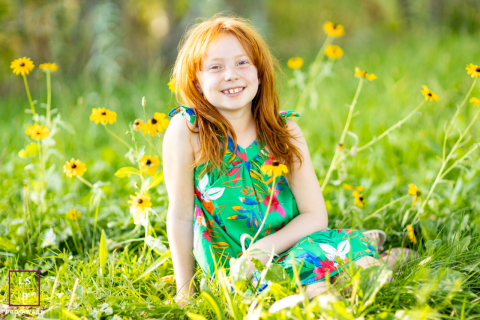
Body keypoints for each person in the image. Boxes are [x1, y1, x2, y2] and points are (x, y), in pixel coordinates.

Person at [162, 14, 417, 307]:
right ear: (196, 79)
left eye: (242, 62)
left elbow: (315, 215)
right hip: (236, 267)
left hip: (293, 244)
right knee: (315, 296)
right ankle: (364, 261)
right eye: (215, 67)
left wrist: (262, 248)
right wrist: (185, 292)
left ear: (259, 72)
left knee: (363, 276)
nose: (231, 75)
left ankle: (377, 259)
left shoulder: (284, 130)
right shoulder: (187, 130)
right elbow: (180, 217)